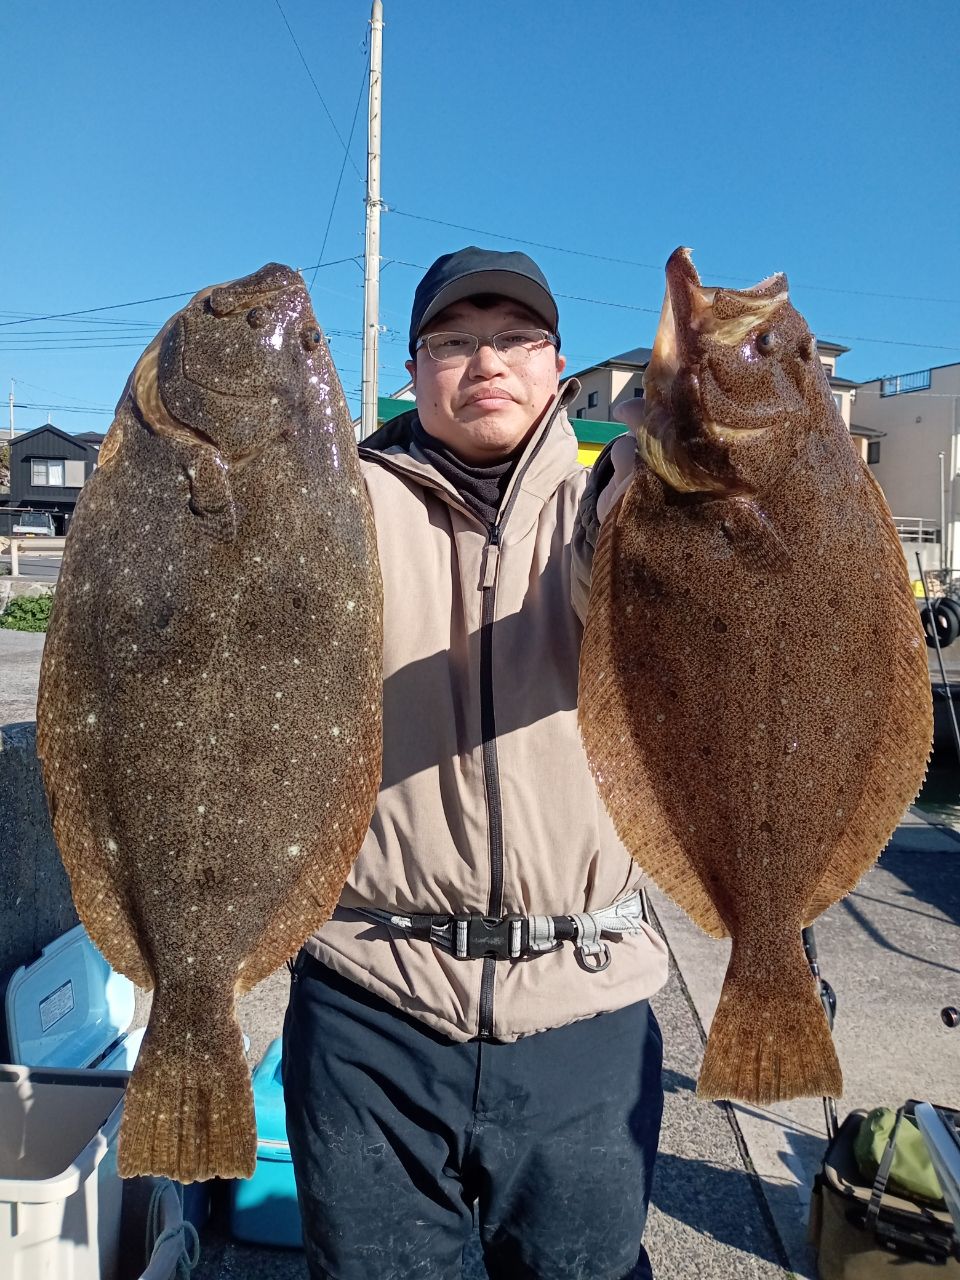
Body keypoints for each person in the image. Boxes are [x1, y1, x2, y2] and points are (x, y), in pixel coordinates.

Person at [282, 246, 669, 1280]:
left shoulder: (608, 497)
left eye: (513, 337)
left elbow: (621, 587)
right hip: (370, 994)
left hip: (583, 997)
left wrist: (656, 483)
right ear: (415, 370)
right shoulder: (335, 503)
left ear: (561, 370)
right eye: (453, 341)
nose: (485, 360)